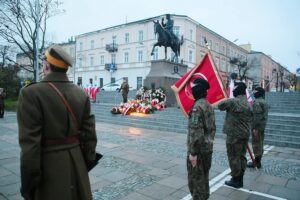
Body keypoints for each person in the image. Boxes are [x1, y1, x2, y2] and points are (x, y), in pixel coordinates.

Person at [17, 44, 98, 200]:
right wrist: (84, 163)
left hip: (49, 169)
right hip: (77, 166)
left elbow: (30, 146)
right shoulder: (81, 93)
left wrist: (28, 184)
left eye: (43, 64)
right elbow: (90, 136)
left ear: (47, 65)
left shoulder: (31, 93)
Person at [218, 82, 253, 188]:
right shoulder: (248, 104)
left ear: (237, 91)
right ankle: (240, 178)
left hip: (234, 135)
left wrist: (227, 98)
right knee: (242, 156)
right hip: (244, 134)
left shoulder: (233, 102)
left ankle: (236, 179)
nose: (232, 91)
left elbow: (220, 106)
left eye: (234, 89)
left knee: (233, 157)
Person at [187, 78, 216, 200]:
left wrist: (193, 153)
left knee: (196, 182)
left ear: (198, 89)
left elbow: (196, 132)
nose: (192, 90)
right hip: (207, 149)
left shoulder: (197, 107)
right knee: (204, 179)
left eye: (193, 87)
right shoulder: (208, 105)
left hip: (198, 152)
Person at [247, 87, 268, 168]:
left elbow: (257, 116)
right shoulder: (263, 101)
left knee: (256, 144)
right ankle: (258, 160)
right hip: (262, 126)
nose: (253, 93)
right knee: (260, 143)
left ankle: (257, 162)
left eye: (255, 91)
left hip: (257, 127)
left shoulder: (257, 102)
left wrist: (255, 128)